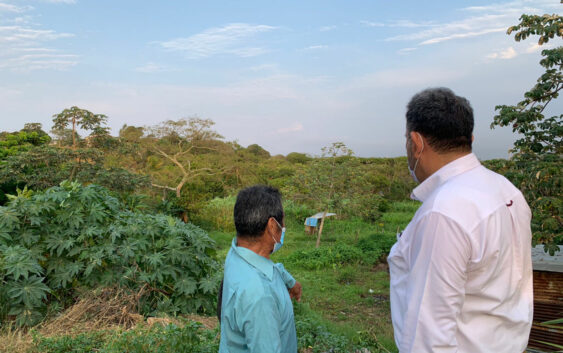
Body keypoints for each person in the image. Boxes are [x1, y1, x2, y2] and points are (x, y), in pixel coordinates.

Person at [387, 88, 533, 353]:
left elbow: (428, 338)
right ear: (470, 138)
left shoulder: (443, 212)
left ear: (416, 142)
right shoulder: (507, 191)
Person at [219, 185, 302, 353]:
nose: (284, 226)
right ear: (272, 226)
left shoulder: (235, 252)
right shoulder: (260, 296)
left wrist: (290, 281)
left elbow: (271, 267)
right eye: (282, 222)